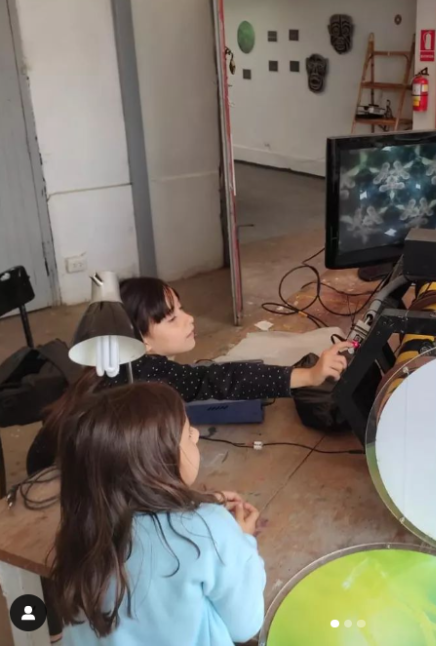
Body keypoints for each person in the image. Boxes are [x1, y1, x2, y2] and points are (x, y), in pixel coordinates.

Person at [28, 276, 351, 474]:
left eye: (181, 309)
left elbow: (217, 378)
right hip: (58, 480)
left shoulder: (112, 364)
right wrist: (308, 377)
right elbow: (222, 380)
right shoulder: (144, 379)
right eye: (172, 319)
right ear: (139, 340)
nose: (190, 319)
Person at [51, 382, 265, 645]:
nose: (197, 435)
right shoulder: (210, 529)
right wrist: (242, 539)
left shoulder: (84, 526)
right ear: (156, 463)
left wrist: (196, 503)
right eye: (187, 434)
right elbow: (246, 625)